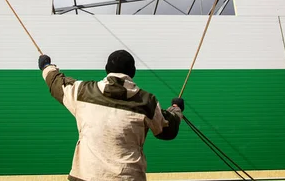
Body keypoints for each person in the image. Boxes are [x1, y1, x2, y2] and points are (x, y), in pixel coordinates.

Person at [38, 49, 184, 181]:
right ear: (132, 72)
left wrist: (46, 66)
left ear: (107, 69)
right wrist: (176, 109)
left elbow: (56, 83)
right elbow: (167, 130)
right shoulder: (147, 102)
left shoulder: (82, 92)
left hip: (86, 177)